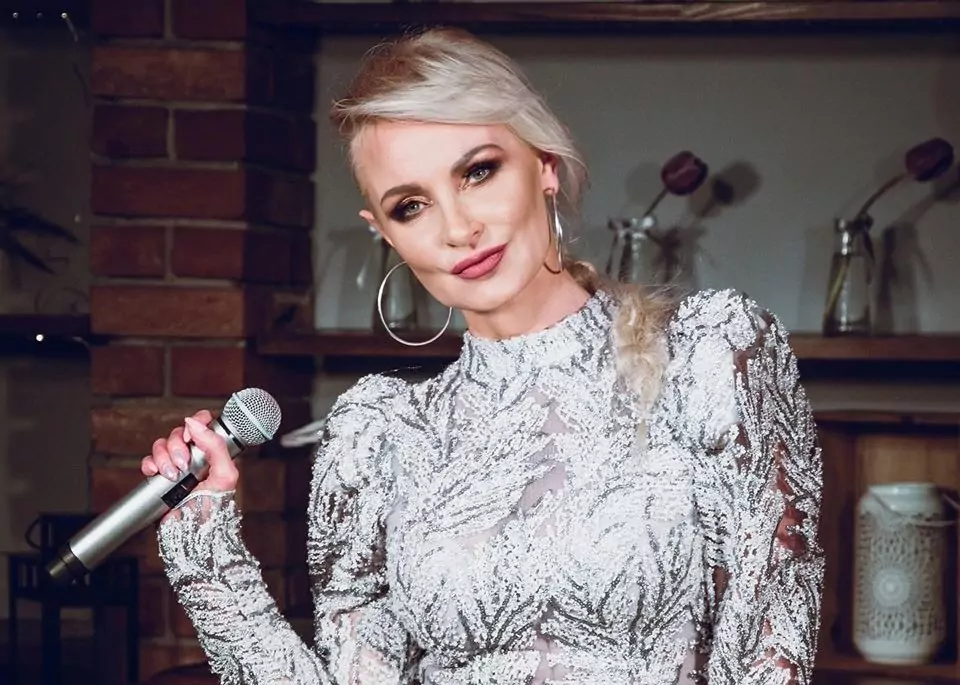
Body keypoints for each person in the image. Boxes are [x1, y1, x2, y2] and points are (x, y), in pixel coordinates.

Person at [143, 27, 824, 685]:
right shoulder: (380, 434)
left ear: (544, 165)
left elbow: (768, 645)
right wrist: (204, 544)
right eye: (411, 206)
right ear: (385, 234)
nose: (458, 228)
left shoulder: (710, 355)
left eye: (478, 172)